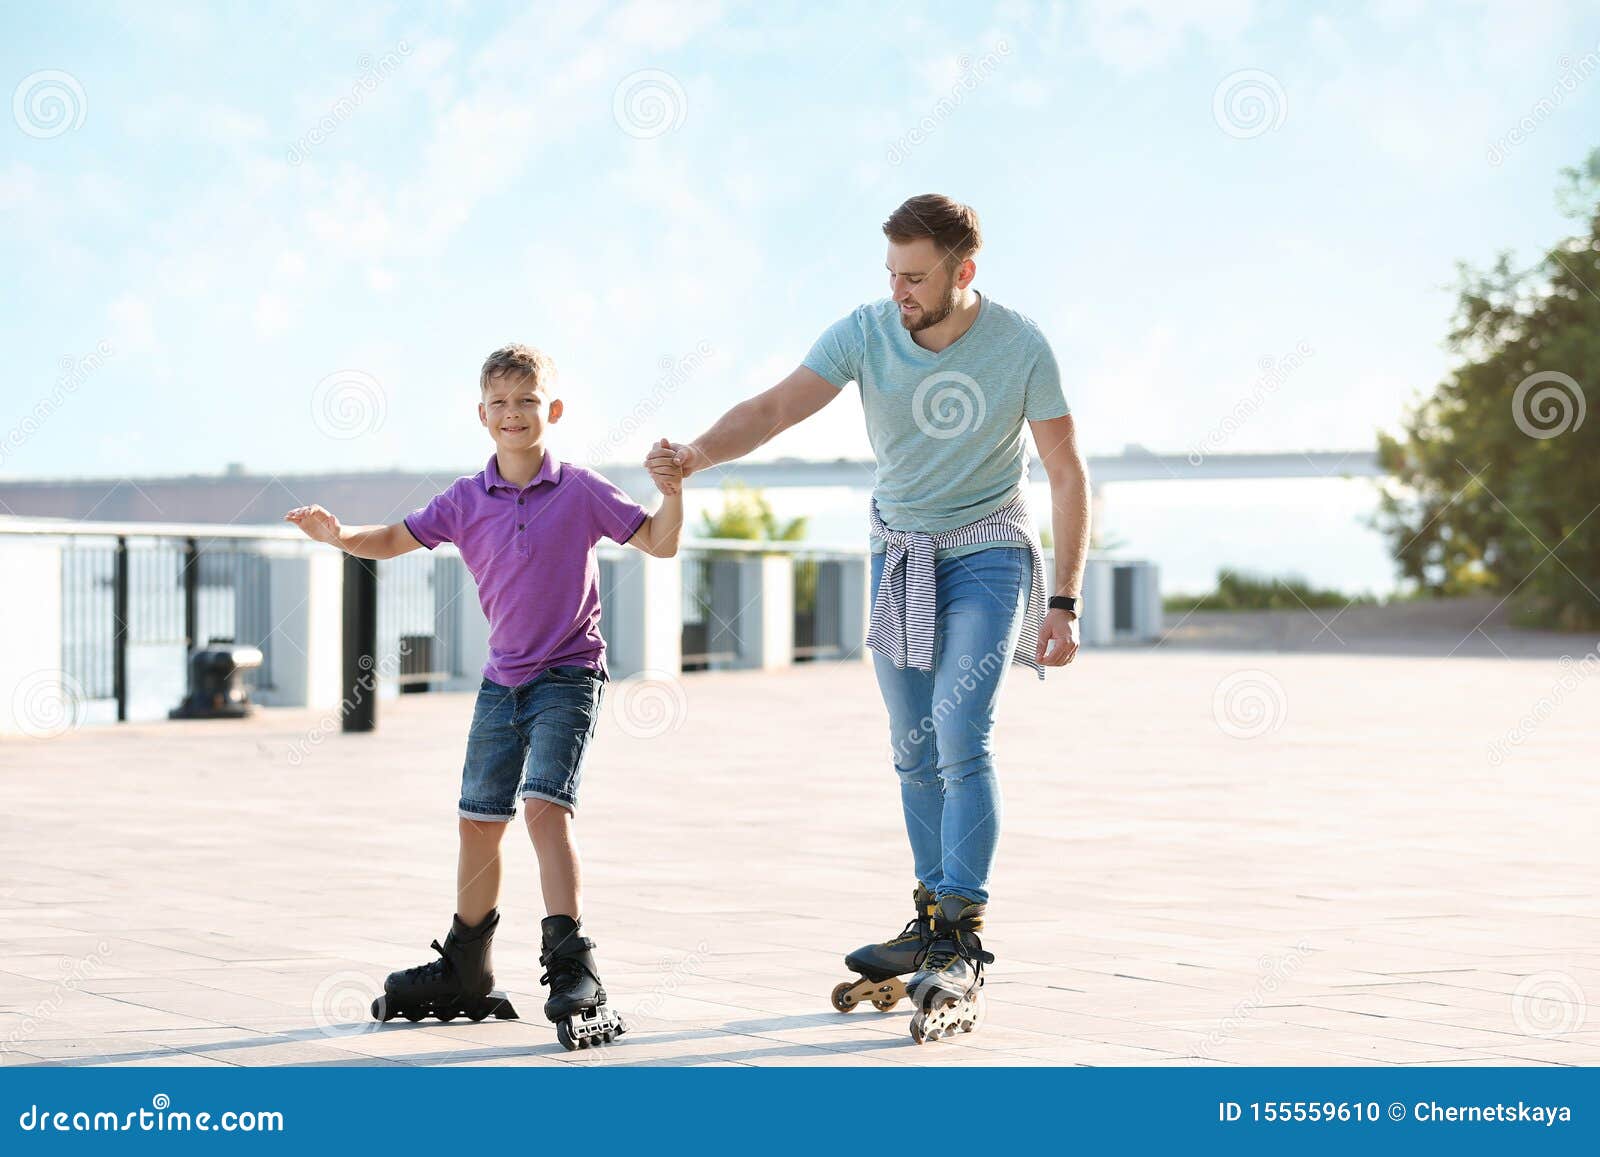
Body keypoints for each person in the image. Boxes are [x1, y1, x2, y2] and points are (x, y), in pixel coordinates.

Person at [645, 194, 1089, 1043]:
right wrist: (697, 454)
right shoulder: (864, 330)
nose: (899, 292)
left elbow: (1066, 470)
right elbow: (776, 407)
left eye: (916, 277)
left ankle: (962, 933)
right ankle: (929, 912)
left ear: (965, 271)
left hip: (990, 549)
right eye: (891, 274)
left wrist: (1062, 600)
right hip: (900, 553)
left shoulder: (1021, 345)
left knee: (962, 727)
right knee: (912, 742)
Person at [286, 343, 684, 1050]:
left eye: (527, 402)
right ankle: (465, 962)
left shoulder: (582, 489)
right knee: (477, 820)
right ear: (482, 415)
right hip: (501, 681)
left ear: (551, 410)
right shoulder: (466, 500)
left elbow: (656, 542)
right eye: (500, 403)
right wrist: (339, 535)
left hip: (569, 673)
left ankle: (572, 964)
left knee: (544, 806)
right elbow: (391, 537)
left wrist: (674, 494)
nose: (513, 414)